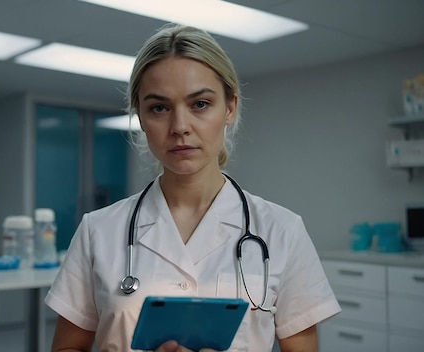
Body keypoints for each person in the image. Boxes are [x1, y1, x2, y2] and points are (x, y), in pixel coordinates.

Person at [45, 24, 341, 352]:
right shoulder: (98, 231)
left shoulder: (282, 231)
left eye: (199, 104)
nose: (180, 127)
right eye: (159, 107)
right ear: (141, 117)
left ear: (229, 108)